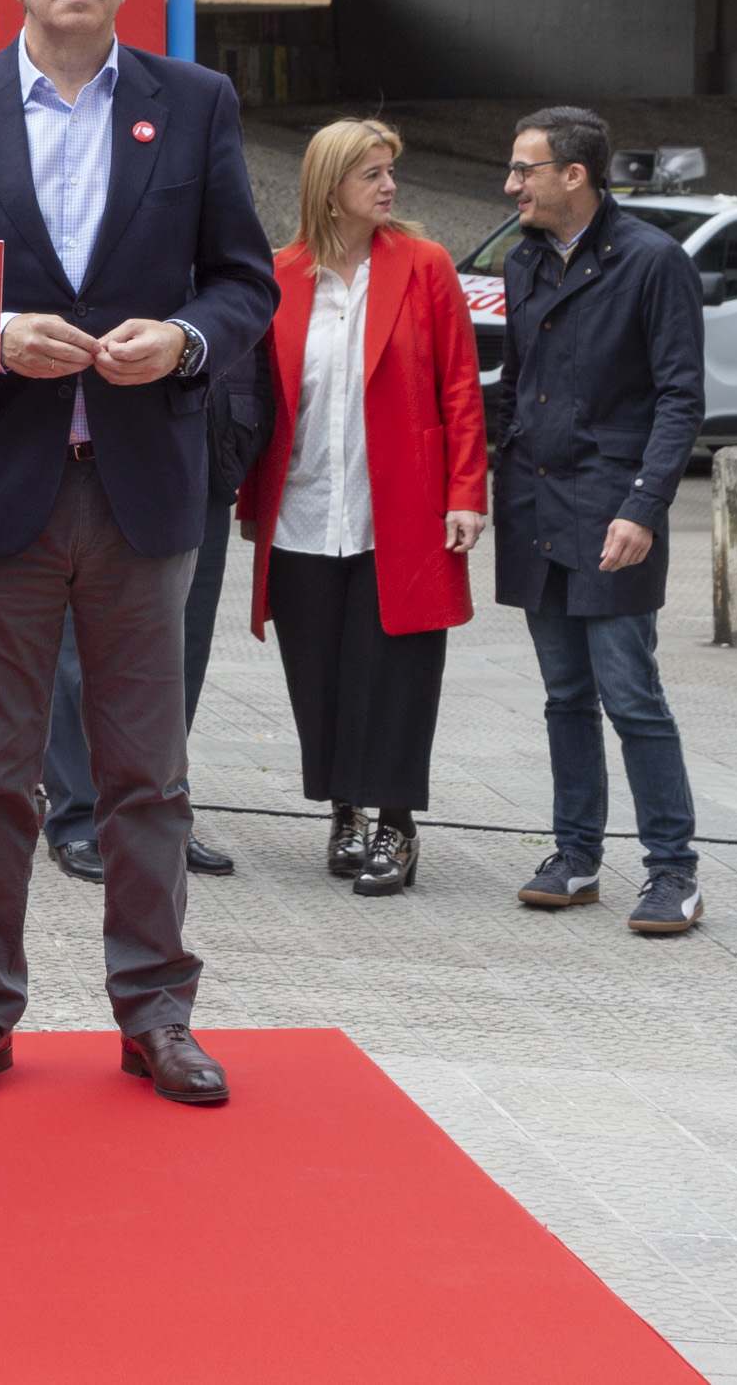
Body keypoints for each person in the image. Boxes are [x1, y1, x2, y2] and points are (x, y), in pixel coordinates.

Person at [0, 0, 277, 1110]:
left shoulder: (192, 102)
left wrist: (188, 342)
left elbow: (244, 282)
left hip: (144, 485)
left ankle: (155, 1011)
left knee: (147, 774)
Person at [236, 120, 487, 896]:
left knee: (398, 673)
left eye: (389, 172)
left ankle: (397, 826)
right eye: (370, 174)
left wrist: (465, 493)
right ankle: (342, 811)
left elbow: (459, 387)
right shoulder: (278, 274)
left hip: (400, 511)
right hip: (303, 510)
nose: (388, 186)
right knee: (318, 673)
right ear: (329, 188)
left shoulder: (424, 265)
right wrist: (250, 498)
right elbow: (258, 400)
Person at [487, 106, 709, 935]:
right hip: (535, 502)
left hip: (612, 506)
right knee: (563, 694)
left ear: (572, 175)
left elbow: (682, 397)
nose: (511, 185)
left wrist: (644, 507)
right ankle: (575, 853)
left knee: (630, 693)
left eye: (524, 170)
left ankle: (672, 871)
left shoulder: (652, 262)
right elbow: (518, 382)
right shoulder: (523, 261)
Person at [39, 336, 271, 882]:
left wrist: (240, 435)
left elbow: (243, 320)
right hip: (95, 454)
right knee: (76, 652)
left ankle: (161, 813)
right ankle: (77, 817)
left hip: (201, 455)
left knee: (181, 647)